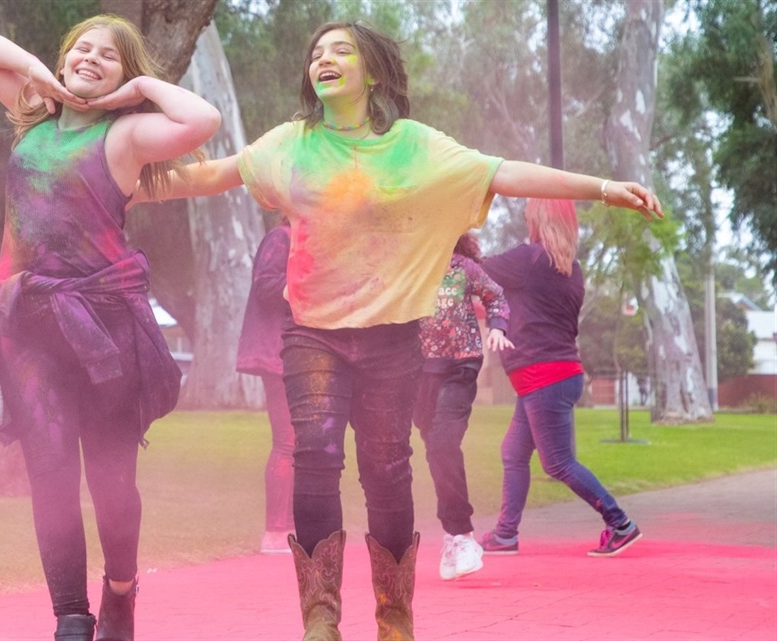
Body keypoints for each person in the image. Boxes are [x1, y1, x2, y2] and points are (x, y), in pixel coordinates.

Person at [143, 20, 662, 640]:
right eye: (316, 52)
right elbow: (209, 175)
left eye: (342, 51)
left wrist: (605, 189)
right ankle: (320, 618)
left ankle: (394, 619)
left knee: (387, 469)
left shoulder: (415, 147)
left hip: (392, 337)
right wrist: (112, 179)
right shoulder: (290, 145)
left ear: (373, 74)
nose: (324, 59)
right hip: (313, 332)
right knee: (316, 452)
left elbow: (504, 172)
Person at [0, 16, 220, 641]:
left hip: (102, 330)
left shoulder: (127, 135)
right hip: (28, 324)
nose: (91, 58)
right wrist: (47, 81)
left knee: (112, 482)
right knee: (49, 473)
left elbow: (201, 119)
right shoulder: (34, 118)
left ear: (126, 74)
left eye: (109, 56)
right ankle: (71, 617)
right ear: (65, 55)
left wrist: (135, 93)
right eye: (82, 48)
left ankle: (121, 591)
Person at [480, 199, 643, 559]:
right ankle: (506, 535)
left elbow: (478, 269)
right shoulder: (571, 269)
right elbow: (520, 303)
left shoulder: (530, 260)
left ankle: (620, 523)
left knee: (557, 462)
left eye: (528, 214)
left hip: (544, 376)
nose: (525, 220)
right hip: (554, 374)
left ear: (539, 219)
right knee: (514, 452)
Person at [414, 232, 513, 581]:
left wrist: (498, 326)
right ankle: (452, 534)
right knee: (434, 447)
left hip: (460, 365)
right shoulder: (408, 265)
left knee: (443, 442)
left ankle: (463, 536)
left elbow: (496, 297)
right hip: (419, 372)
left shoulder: (463, 268)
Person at [236, 219, 295, 554]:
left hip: (296, 353)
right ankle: (274, 531)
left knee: (302, 447)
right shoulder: (280, 238)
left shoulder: (302, 238)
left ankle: (290, 527)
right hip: (278, 354)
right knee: (287, 443)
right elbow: (265, 286)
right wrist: (306, 281)